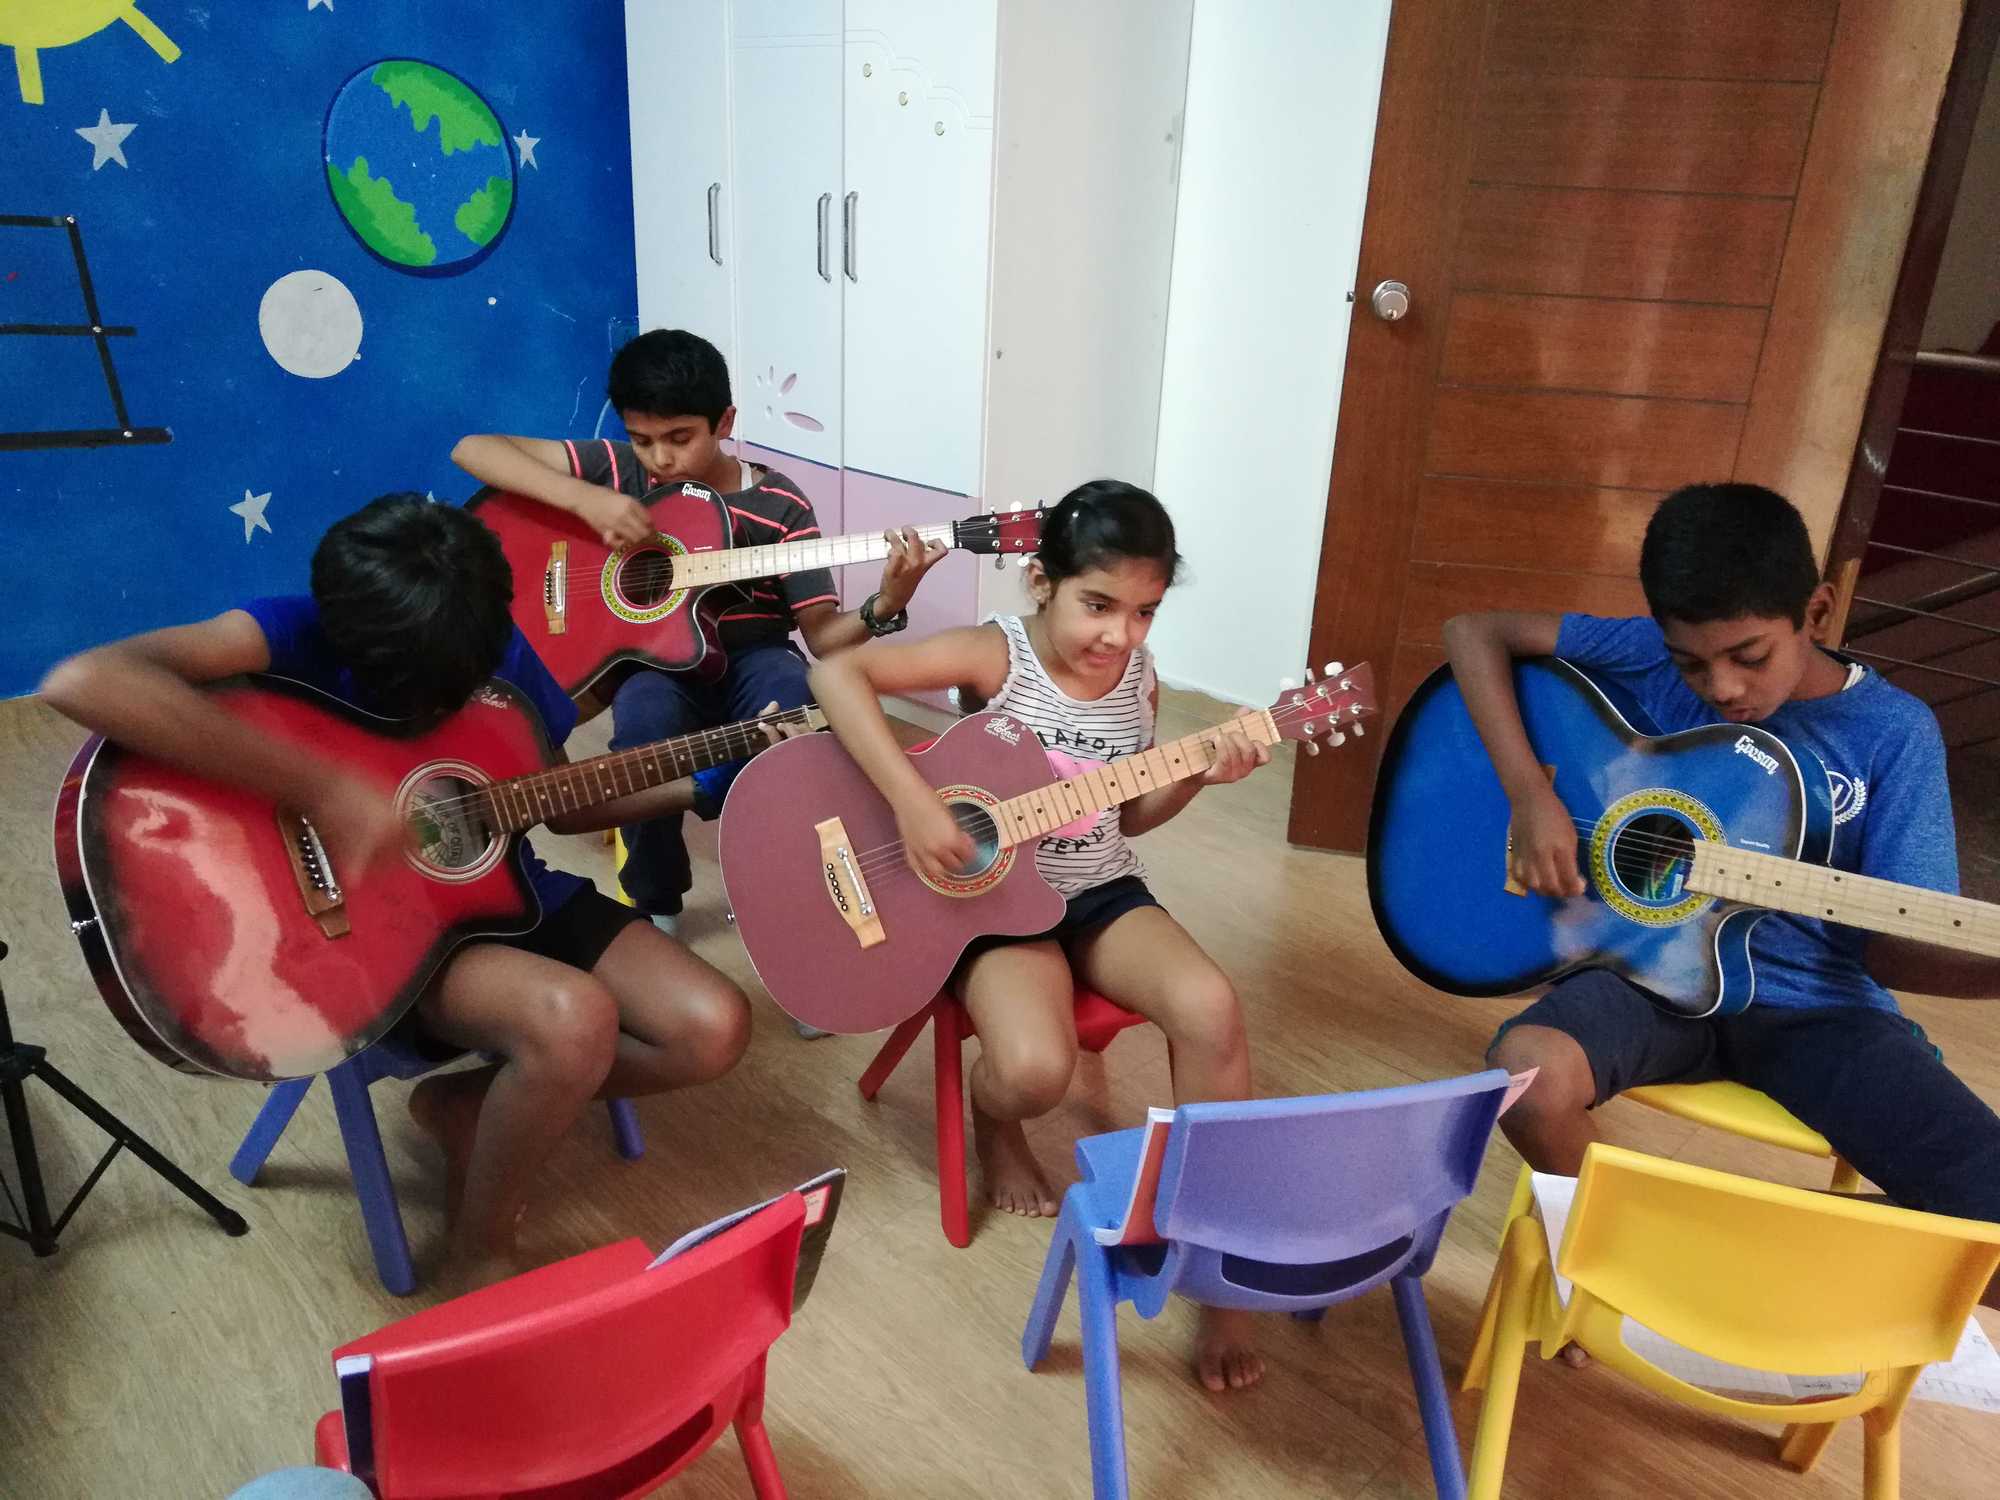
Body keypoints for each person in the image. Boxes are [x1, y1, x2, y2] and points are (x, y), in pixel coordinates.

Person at [40, 494, 753, 1291]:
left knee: (713, 1029)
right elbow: (83, 681)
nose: (447, 702)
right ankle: (481, 1250)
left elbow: (555, 798)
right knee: (573, 1020)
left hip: (507, 890)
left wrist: (698, 789)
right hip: (378, 944)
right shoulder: (291, 630)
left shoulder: (481, 634)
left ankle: (468, 1106)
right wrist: (322, 789)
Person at [1446, 482, 2000, 1298]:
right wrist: (1532, 795)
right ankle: (1628, 1283)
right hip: (1649, 979)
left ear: (1817, 611)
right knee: (1527, 1077)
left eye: (1750, 657)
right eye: (1692, 663)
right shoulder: (1649, 651)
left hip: (1818, 1008)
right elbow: (1473, 631)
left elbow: (1891, 951)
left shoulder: (1893, 732)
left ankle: (1710, 1262)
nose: (1723, 687)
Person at [807, 479, 1272, 1391]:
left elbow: (1126, 816)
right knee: (1031, 1071)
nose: (1120, 635)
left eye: (1144, 611)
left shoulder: (1139, 678)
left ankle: (1216, 1267)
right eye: (1098, 605)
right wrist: (911, 804)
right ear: (1041, 582)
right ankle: (997, 1123)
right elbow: (833, 674)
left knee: (1211, 1005)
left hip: (1097, 891)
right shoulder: (998, 653)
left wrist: (1193, 776)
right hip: (989, 901)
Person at [452, 328, 947, 942]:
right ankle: (656, 898)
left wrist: (887, 603)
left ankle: (790, 896)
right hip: (654, 663)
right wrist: (586, 501)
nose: (660, 458)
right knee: (643, 724)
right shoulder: (620, 470)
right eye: (643, 439)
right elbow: (474, 449)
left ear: (725, 422)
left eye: (680, 438)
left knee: (796, 704)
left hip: (755, 654)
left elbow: (823, 639)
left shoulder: (779, 503)